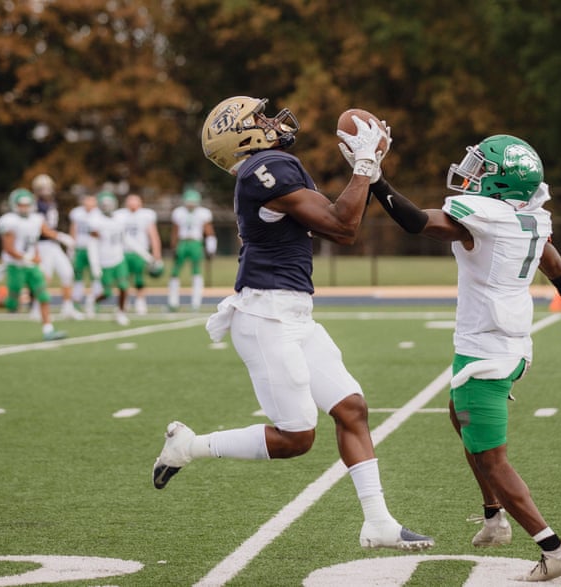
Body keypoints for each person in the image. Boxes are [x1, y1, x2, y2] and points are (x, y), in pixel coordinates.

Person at [152, 95, 434, 551]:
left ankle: (378, 522)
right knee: (296, 437)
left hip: (294, 314)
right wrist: (364, 163)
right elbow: (343, 228)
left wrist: (370, 170)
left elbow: (338, 220)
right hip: (265, 317)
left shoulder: (275, 165)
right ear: (241, 133)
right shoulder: (265, 168)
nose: (269, 120)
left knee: (351, 408)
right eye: (257, 118)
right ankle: (190, 446)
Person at [347, 134, 561, 581]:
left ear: (503, 182)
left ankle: (553, 548)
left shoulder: (479, 219)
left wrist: (374, 177)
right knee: (457, 416)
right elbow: (560, 271)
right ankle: (492, 518)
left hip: (485, 355)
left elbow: (414, 222)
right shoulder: (530, 220)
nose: (472, 172)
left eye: (483, 168)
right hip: (511, 349)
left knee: (492, 459)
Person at [0, 188, 67, 341]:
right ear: (14, 205)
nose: (24, 208)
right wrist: (27, 257)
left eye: (26, 204)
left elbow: (36, 239)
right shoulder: (9, 221)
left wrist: (59, 239)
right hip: (15, 265)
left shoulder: (36, 219)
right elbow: (9, 249)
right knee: (13, 304)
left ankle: (48, 330)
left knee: (44, 295)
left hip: (31, 265)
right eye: (21, 205)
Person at [30, 173, 84, 320]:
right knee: (44, 277)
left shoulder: (50, 203)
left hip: (53, 245)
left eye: (47, 188)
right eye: (43, 189)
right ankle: (36, 308)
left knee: (67, 273)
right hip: (42, 244)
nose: (46, 191)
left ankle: (67, 307)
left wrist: (58, 238)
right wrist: (61, 236)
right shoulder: (36, 206)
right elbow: (42, 228)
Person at [114, 193, 163, 314]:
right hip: (123, 252)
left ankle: (140, 301)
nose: (132, 204)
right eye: (130, 201)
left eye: (135, 201)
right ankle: (123, 302)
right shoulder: (119, 215)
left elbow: (153, 234)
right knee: (122, 278)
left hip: (141, 252)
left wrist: (156, 252)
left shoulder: (146, 215)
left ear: (140, 203)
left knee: (139, 279)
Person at [167, 188, 215, 312]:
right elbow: (175, 231)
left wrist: (211, 247)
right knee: (175, 272)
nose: (190, 204)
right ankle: (173, 303)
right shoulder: (179, 212)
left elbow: (209, 231)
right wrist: (173, 247)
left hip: (196, 243)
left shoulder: (203, 213)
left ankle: (196, 303)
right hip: (182, 242)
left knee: (196, 272)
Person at [88, 191, 131, 326]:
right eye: (104, 205)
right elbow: (92, 244)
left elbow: (126, 239)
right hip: (104, 261)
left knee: (124, 286)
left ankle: (121, 312)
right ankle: (92, 300)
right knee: (107, 293)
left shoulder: (120, 218)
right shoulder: (95, 220)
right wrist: (95, 265)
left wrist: (146, 255)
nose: (107, 207)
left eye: (109, 204)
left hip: (118, 258)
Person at [69, 193, 104, 317]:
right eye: (87, 200)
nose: (89, 204)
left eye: (92, 201)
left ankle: (94, 301)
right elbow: (73, 228)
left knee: (96, 275)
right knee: (78, 275)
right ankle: (76, 300)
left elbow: (102, 232)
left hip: (94, 249)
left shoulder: (99, 214)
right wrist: (71, 245)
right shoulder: (77, 213)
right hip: (80, 247)